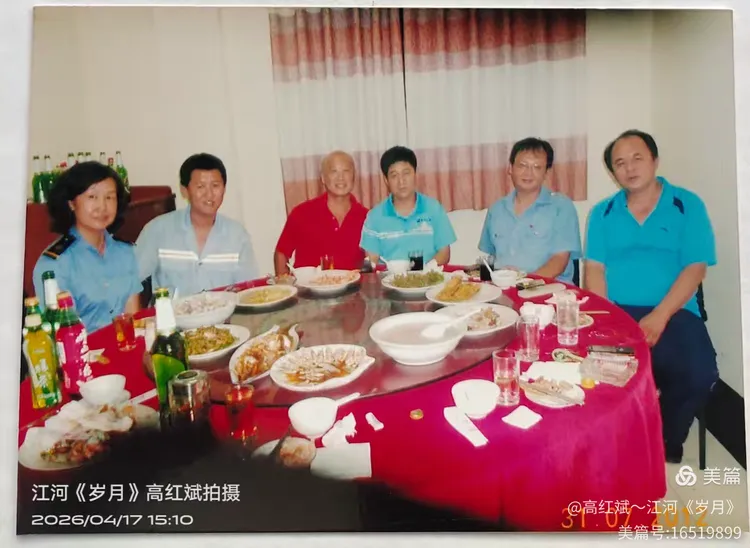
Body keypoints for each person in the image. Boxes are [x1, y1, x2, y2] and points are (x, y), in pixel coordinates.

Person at [584, 129, 718, 463]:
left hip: (675, 310)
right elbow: (595, 270)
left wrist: (660, 315)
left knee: (699, 375)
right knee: (597, 370)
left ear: (655, 160)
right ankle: (623, 432)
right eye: (620, 163)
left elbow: (695, 268)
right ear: (613, 172)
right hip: (616, 310)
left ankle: (666, 436)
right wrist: (605, 320)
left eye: (637, 158)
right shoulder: (601, 212)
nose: (629, 168)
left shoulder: (687, 205)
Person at [32, 162, 142, 333]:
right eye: (92, 197)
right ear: (71, 203)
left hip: (124, 345)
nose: (102, 207)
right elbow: (61, 334)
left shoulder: (126, 253)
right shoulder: (54, 265)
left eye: (109, 197)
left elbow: (133, 319)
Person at [135, 153, 259, 298]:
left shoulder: (237, 236)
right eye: (201, 186)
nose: (209, 194)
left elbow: (249, 291)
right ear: (185, 190)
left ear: (224, 189)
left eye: (215, 186)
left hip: (224, 312)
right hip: (172, 313)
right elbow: (128, 281)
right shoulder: (157, 230)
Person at [478, 137, 581, 284]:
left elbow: (559, 261)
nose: (528, 173)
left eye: (537, 167)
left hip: (548, 288)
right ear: (510, 168)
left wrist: (523, 283)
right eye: (522, 165)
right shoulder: (496, 209)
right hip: (505, 288)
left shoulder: (561, 207)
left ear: (546, 172)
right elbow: (492, 258)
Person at [360, 146, 456, 266]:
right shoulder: (375, 216)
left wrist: (424, 270)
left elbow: (444, 253)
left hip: (428, 275)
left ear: (415, 174)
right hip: (389, 276)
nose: (401, 181)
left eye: (406, 173)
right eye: (394, 175)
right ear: (386, 180)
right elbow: (371, 260)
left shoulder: (434, 209)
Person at [274, 151, 368, 274]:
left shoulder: (367, 217)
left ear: (354, 176)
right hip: (308, 285)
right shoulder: (302, 213)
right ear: (323, 178)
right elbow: (281, 253)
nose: (341, 177)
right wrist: (284, 283)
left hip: (353, 285)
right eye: (334, 171)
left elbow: (372, 261)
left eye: (346, 171)